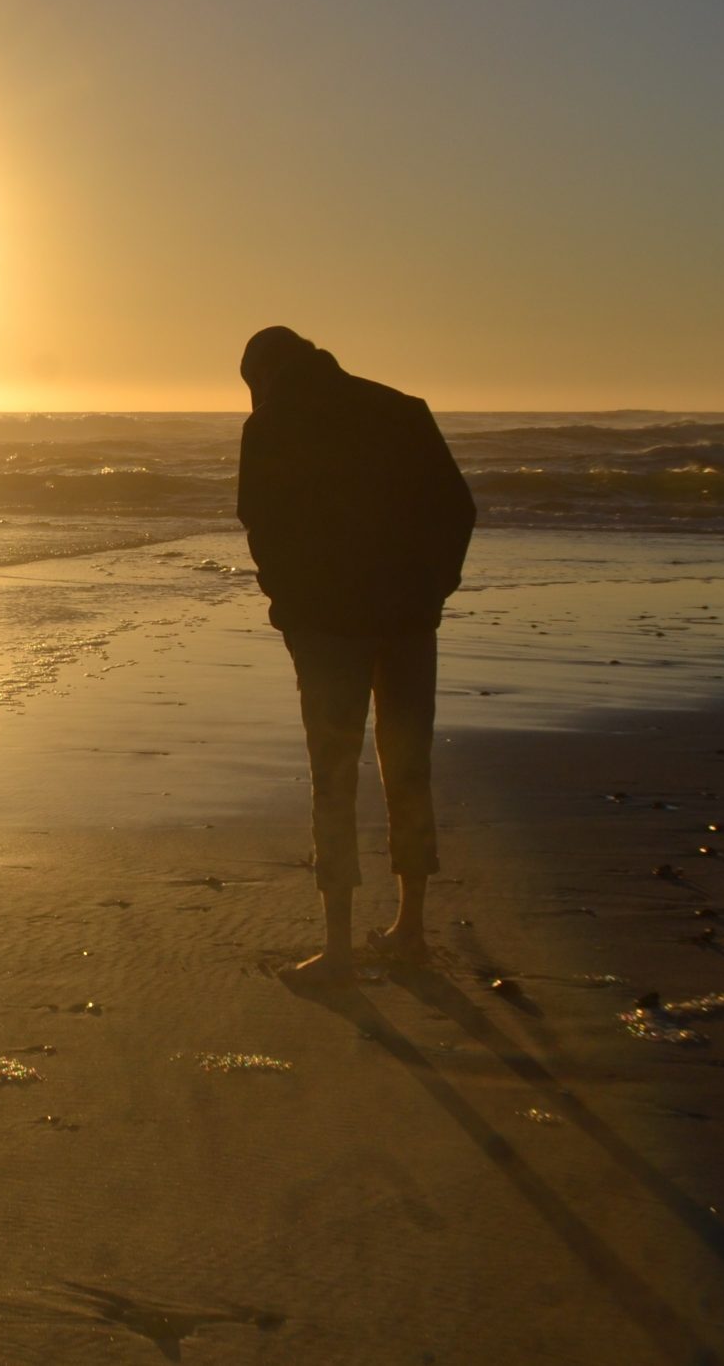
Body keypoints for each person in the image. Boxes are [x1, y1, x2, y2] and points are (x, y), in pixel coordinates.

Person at [235, 326, 475, 984]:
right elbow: (457, 509)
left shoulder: (270, 426)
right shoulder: (401, 409)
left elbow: (260, 523)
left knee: (334, 775)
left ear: (263, 375)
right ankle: (411, 928)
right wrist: (433, 590)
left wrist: (286, 603)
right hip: (407, 621)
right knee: (409, 766)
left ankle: (338, 946)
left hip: (327, 627)